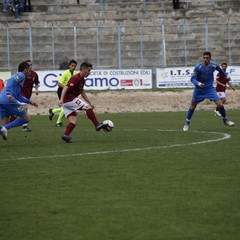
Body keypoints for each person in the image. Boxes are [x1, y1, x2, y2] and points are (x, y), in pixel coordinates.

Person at [183, 51, 234, 131]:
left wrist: (227, 77)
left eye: (207, 58)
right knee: (193, 106)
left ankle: (225, 120)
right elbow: (192, 79)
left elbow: (221, 72)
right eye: (204, 58)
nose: (205, 59)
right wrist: (199, 83)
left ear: (210, 58)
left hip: (209, 89)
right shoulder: (198, 66)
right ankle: (187, 123)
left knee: (220, 104)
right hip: (199, 89)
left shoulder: (214, 65)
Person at [59, 61, 109, 143]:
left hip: (66, 103)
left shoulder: (82, 80)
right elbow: (65, 88)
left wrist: (90, 102)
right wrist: (61, 99)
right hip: (69, 99)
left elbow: (82, 92)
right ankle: (97, 124)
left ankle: (66, 135)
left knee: (73, 121)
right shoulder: (76, 78)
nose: (89, 73)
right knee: (87, 108)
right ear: (83, 69)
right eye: (88, 70)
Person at [0, 61, 38, 141]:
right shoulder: (21, 75)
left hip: (2, 100)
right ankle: (5, 128)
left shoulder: (20, 79)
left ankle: (4, 128)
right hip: (9, 101)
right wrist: (8, 93)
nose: (30, 71)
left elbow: (18, 96)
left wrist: (30, 102)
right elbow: (10, 81)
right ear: (26, 70)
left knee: (5, 123)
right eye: (29, 69)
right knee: (26, 117)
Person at [10, 60, 40, 132]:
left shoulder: (34, 74)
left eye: (31, 65)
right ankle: (25, 126)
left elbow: (36, 83)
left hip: (28, 94)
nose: (30, 66)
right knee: (24, 108)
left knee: (20, 110)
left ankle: (10, 121)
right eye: (28, 65)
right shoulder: (21, 74)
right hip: (20, 93)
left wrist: (36, 89)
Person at [49, 59, 78, 127]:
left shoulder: (76, 73)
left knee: (66, 107)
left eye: (74, 66)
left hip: (69, 92)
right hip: (62, 91)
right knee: (66, 107)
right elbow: (59, 83)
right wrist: (66, 88)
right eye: (72, 66)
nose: (73, 67)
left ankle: (54, 111)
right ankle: (58, 122)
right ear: (69, 66)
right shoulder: (65, 73)